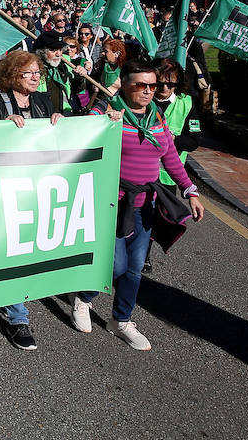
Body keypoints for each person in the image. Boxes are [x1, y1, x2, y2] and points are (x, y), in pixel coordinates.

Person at [72, 58, 205, 350]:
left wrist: (190, 190)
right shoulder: (107, 110)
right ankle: (84, 298)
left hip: (145, 203)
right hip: (111, 202)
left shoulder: (156, 117)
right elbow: (76, 136)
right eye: (140, 85)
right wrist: (102, 124)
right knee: (116, 263)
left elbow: (169, 156)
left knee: (133, 268)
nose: (148, 91)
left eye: (152, 85)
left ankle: (121, 320)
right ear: (125, 84)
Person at [0, 48, 63, 351]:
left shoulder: (42, 101)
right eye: (29, 73)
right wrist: (1, 127)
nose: (37, 77)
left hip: (37, 188)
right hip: (5, 188)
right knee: (13, 251)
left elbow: (57, 140)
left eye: (38, 72)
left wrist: (59, 122)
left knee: (28, 251)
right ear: (14, 75)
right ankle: (18, 318)